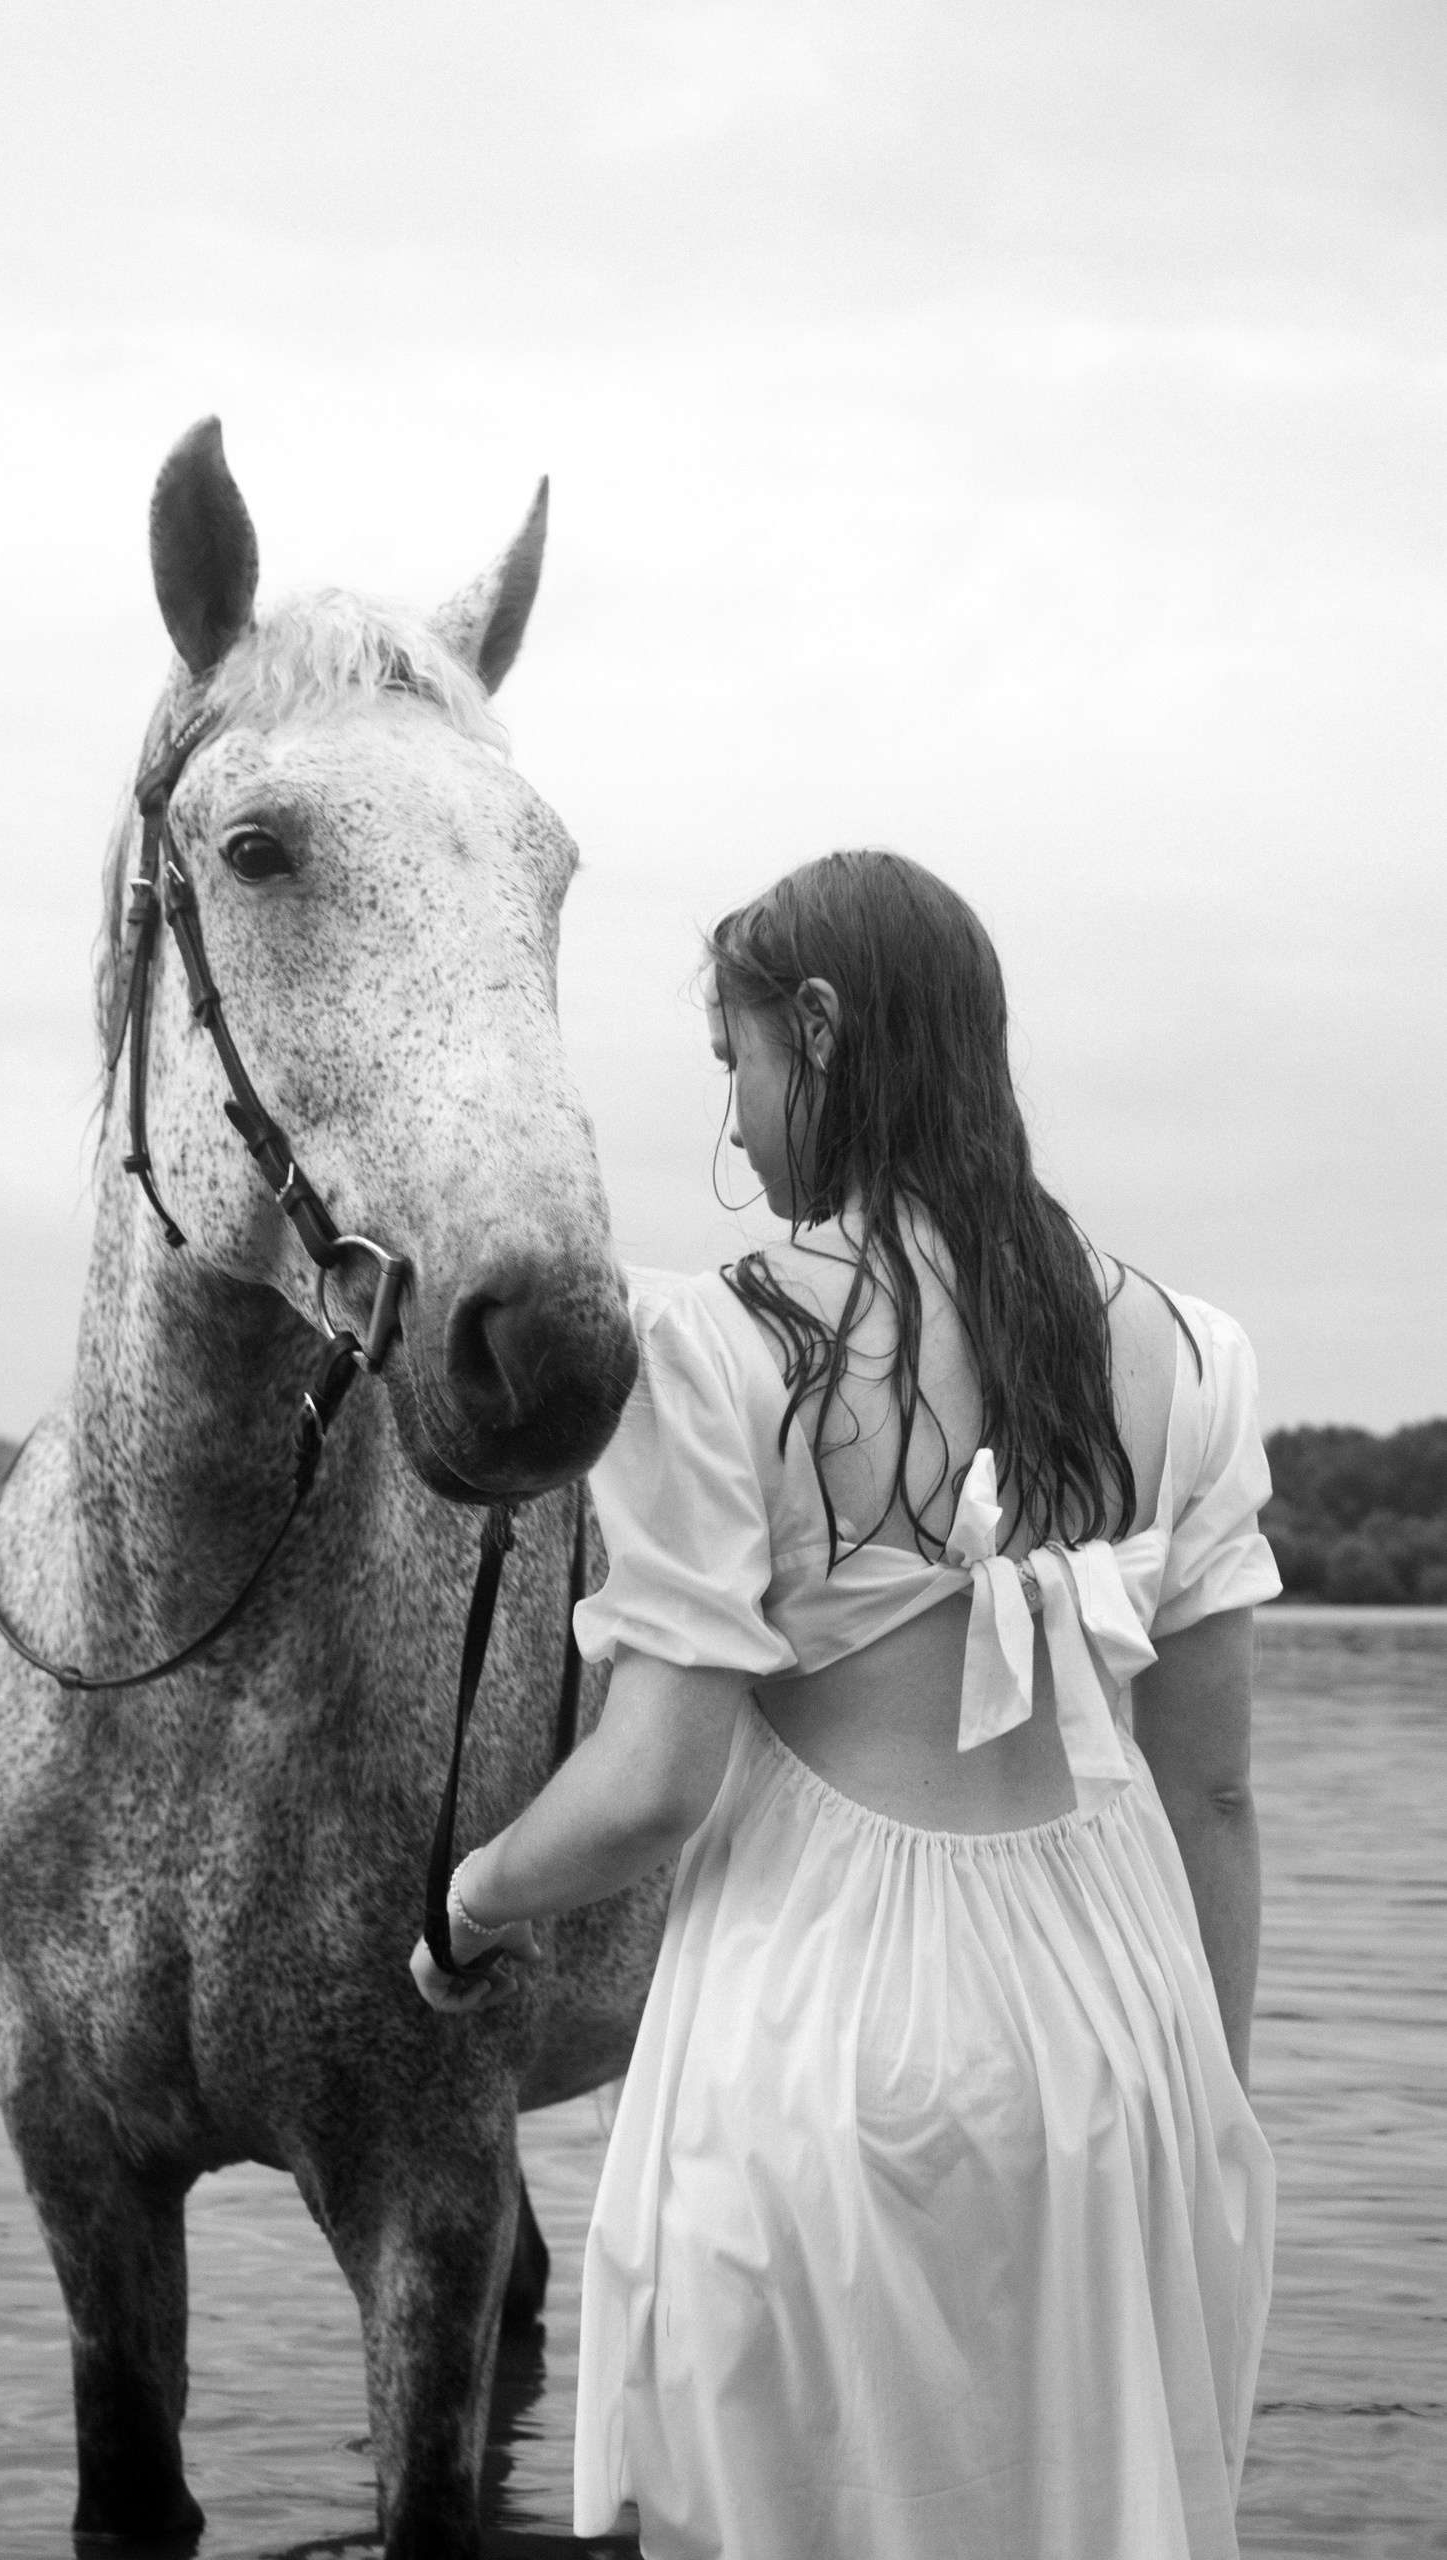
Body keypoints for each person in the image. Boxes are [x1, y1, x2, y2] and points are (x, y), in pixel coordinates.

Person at [411, 849, 1279, 2560]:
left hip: (815, 2047)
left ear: (817, 1028)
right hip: (1117, 2054)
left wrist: (470, 1898)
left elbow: (655, 1780)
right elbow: (1218, 1803)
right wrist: (1203, 2106)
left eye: (734, 1063)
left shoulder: (715, 1342)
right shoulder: (1193, 1355)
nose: (733, 1132)